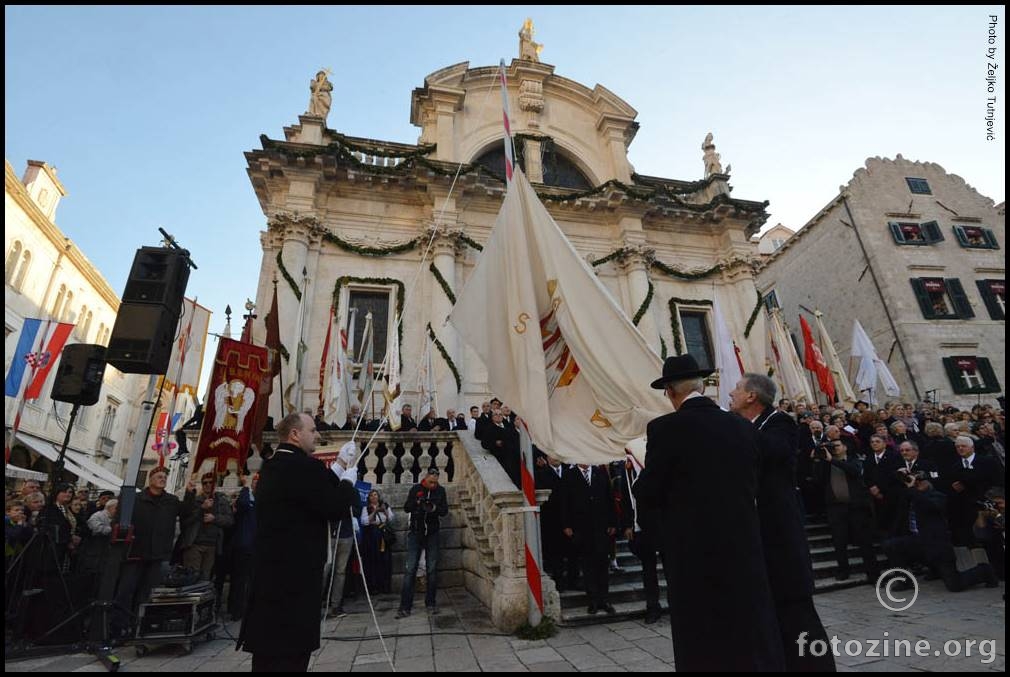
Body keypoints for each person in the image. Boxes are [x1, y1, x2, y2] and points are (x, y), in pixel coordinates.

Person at [633, 355, 784, 671]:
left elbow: (648, 490)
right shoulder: (744, 427)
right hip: (744, 545)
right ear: (701, 386)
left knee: (700, 633)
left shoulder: (665, 428)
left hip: (693, 553)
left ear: (671, 392)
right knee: (747, 624)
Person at [729, 374, 835, 671]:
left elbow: (771, 451)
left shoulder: (780, 423)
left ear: (752, 396)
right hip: (759, 535)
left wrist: (730, 430)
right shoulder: (748, 426)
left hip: (781, 537)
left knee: (796, 611)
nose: (731, 393)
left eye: (737, 389)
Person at [237, 412, 358, 672]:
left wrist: (338, 464)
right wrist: (348, 482)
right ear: (295, 434)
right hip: (295, 581)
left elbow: (310, 491)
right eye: (312, 430)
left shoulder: (274, 465)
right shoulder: (304, 467)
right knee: (290, 657)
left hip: (270, 579)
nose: (317, 435)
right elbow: (331, 505)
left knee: (267, 657)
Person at [114, 468, 197, 637]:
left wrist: (189, 493)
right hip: (135, 553)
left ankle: (139, 625)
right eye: (159, 477)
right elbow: (120, 520)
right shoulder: (136, 500)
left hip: (157, 554)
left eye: (165, 477)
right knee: (126, 590)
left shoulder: (171, 501)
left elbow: (187, 512)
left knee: (147, 593)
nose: (163, 479)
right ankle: (119, 627)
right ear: (150, 479)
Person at [561, 463, 617, 615]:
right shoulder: (569, 475)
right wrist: (567, 525)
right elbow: (565, 501)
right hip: (582, 529)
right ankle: (592, 600)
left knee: (602, 564)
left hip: (601, 528)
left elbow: (609, 498)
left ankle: (604, 599)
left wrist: (612, 522)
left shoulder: (600, 473)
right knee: (588, 565)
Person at [396, 468, 448, 618]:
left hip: (432, 533)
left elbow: (444, 511)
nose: (433, 485)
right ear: (425, 479)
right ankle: (405, 606)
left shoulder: (440, 491)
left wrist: (434, 508)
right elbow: (406, 508)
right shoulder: (416, 489)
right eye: (430, 482)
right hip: (416, 532)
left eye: (435, 482)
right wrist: (418, 503)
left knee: (431, 569)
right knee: (410, 569)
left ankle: (431, 603)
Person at [359, 489, 394, 594]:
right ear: (369, 498)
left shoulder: (385, 506)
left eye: (375, 495)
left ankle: (385, 586)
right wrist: (374, 511)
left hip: (383, 535)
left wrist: (385, 511)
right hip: (372, 536)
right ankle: (373, 587)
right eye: (371, 496)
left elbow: (391, 519)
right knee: (373, 560)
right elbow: (364, 521)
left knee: (385, 560)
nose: (374, 497)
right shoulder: (366, 508)